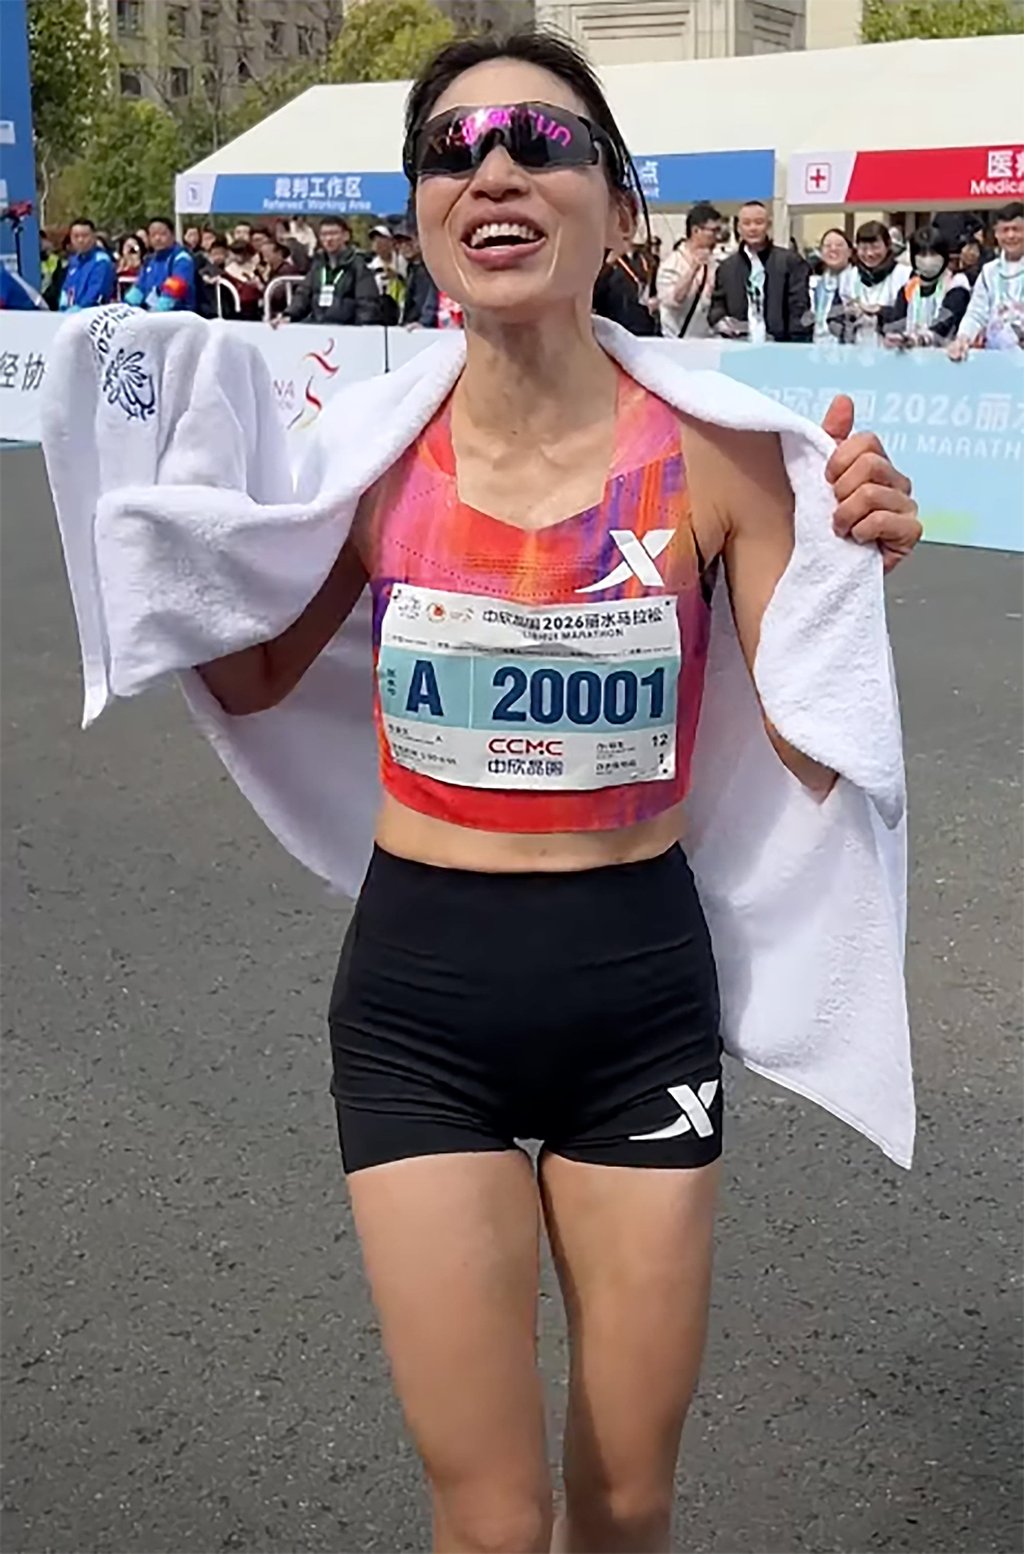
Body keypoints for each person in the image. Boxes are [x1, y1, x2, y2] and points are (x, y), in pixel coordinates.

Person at [45, 30, 923, 1554]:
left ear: (620, 205)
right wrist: (157, 516)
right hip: (420, 1005)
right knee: (494, 1520)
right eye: (451, 150)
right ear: (421, 215)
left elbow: (809, 744)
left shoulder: (723, 462)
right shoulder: (367, 464)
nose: (494, 168)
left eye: (540, 139)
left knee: (626, 1504)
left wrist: (855, 567)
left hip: (637, 998)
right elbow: (252, 680)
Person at [707, 200, 812, 343]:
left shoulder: (790, 262)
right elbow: (717, 306)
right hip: (737, 346)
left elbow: (799, 309)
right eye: (747, 223)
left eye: (759, 222)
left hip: (780, 346)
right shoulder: (726, 268)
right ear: (738, 228)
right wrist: (722, 322)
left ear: (768, 225)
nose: (753, 228)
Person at [949, 200, 1024, 358]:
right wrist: (963, 338)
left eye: (1016, 229)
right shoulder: (989, 272)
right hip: (994, 360)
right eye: (1005, 230)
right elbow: (976, 314)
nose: (1011, 235)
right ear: (996, 234)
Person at [881, 225, 970, 348]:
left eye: (933, 254)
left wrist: (922, 338)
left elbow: (946, 321)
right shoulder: (909, 288)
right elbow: (897, 322)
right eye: (922, 254)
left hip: (946, 355)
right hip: (911, 355)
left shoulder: (956, 284)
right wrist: (894, 336)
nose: (928, 260)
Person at [283, 217, 383, 326]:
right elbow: (303, 295)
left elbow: (367, 303)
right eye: (324, 234)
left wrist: (362, 328)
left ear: (346, 236)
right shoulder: (318, 265)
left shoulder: (358, 265)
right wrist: (289, 315)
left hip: (347, 328)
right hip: (318, 325)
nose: (328, 239)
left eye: (333, 233)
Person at [655, 201, 720, 339]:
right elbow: (674, 300)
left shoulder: (714, 262)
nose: (717, 236)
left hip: (707, 338)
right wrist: (693, 269)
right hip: (678, 339)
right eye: (713, 231)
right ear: (695, 230)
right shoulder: (672, 264)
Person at [839, 220, 911, 339]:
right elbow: (837, 314)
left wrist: (880, 311)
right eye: (863, 248)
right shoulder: (849, 276)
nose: (870, 254)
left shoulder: (904, 275)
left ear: (888, 245)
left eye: (875, 247)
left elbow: (909, 315)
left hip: (892, 343)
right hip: (857, 344)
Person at [125, 216, 196, 312]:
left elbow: (173, 291)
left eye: (163, 234)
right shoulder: (149, 261)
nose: (157, 238)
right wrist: (126, 307)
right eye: (153, 235)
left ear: (173, 235)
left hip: (177, 313)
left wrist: (155, 312)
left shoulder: (182, 259)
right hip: (149, 312)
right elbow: (139, 288)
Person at [592, 246, 659, 334]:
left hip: (643, 326)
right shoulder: (601, 259)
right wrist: (607, 265)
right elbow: (593, 295)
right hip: (615, 327)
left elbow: (653, 289)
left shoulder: (647, 259)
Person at [57, 218, 117, 311]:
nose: (80, 240)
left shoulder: (101, 261)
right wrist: (63, 304)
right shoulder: (74, 261)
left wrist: (80, 308)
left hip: (92, 314)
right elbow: (67, 287)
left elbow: (96, 292)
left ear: (93, 237)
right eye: (76, 236)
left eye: (85, 236)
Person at [809, 227, 853, 342]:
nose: (833, 249)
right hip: (817, 345)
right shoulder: (813, 284)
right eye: (827, 246)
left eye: (839, 245)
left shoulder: (859, 281)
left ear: (850, 252)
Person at [368, 223, 408, 323]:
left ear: (391, 242)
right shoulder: (370, 267)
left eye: (382, 239)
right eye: (374, 240)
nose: (378, 242)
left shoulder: (403, 261)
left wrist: (397, 276)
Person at [260, 239, 300, 319]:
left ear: (278, 253)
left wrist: (261, 287)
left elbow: (278, 296)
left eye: (268, 254)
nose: (265, 258)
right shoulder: (271, 271)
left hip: (283, 311)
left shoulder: (288, 270)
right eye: (263, 255)